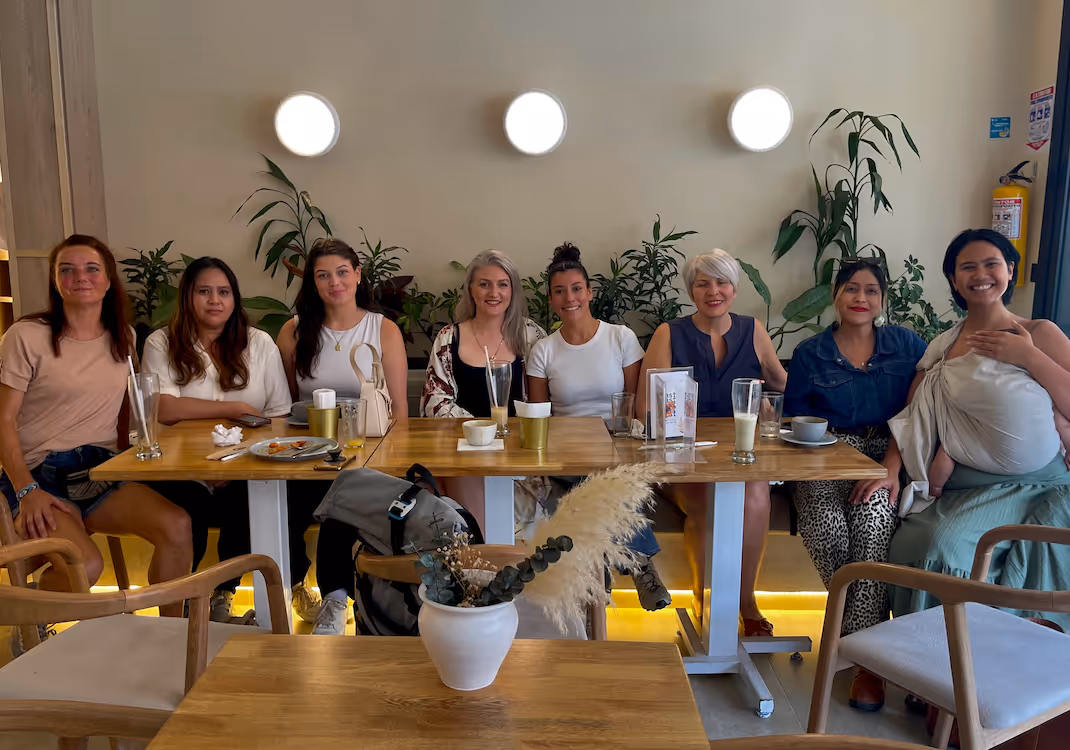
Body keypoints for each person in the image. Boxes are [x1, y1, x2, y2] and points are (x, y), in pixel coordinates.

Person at [0, 235, 192, 650]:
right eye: (67, 269)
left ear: (108, 281)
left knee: (177, 524)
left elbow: (128, 410)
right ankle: (31, 620)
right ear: (55, 282)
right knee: (84, 564)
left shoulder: (122, 336)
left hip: (99, 469)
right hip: (39, 474)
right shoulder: (26, 335)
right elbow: (3, 419)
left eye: (91, 268)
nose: (79, 277)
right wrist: (24, 489)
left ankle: (173, 640)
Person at [885, 228, 1070, 633]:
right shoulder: (944, 345)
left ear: (1010, 272)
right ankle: (929, 661)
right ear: (954, 280)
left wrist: (1028, 357)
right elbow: (915, 413)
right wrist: (890, 467)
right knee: (925, 545)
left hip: (1039, 487)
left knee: (953, 548)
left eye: (991, 264)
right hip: (965, 488)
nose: (980, 274)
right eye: (967, 267)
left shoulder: (1039, 332)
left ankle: (988, 662)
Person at [784, 258, 927, 712]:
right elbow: (793, 421)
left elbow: (918, 413)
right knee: (827, 525)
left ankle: (863, 659)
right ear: (835, 295)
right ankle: (871, 652)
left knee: (873, 519)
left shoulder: (907, 346)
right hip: (824, 455)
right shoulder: (810, 353)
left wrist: (889, 466)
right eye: (850, 289)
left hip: (887, 453)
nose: (860, 298)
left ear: (882, 299)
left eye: (870, 290)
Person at [638, 248, 786, 637]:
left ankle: (745, 600)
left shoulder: (753, 330)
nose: (713, 291)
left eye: (721, 282)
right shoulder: (670, 333)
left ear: (734, 289)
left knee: (756, 495)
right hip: (682, 461)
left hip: (742, 459)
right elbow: (643, 408)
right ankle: (704, 602)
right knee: (707, 498)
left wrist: (772, 407)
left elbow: (783, 386)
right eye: (703, 283)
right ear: (692, 291)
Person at [142, 257, 294, 623]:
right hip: (179, 469)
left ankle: (222, 598)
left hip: (247, 464)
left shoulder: (258, 343)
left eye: (223, 292)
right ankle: (180, 614)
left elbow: (279, 415)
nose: (215, 300)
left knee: (252, 497)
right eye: (204, 291)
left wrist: (241, 461)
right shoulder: (161, 342)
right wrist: (233, 408)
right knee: (187, 508)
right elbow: (161, 407)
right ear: (187, 297)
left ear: (234, 298)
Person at [527, 243, 669, 611]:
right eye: (559, 291)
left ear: (589, 293)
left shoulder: (620, 338)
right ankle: (640, 565)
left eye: (576, 289)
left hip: (616, 448)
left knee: (603, 484)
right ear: (551, 299)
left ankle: (599, 586)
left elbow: (636, 404)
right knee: (595, 486)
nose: (569, 298)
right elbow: (539, 416)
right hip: (566, 451)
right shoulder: (543, 350)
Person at [277, 238, 409, 635]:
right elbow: (284, 409)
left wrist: (392, 464)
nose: (334, 282)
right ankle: (294, 584)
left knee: (345, 500)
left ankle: (336, 599)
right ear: (313, 284)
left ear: (357, 274)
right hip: (306, 455)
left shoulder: (381, 329)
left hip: (366, 456)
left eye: (341, 272)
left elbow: (399, 411)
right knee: (271, 495)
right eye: (323, 275)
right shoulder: (295, 331)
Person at [420, 249, 547, 536]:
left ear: (513, 290)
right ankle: (479, 571)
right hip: (462, 456)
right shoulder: (448, 338)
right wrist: (482, 434)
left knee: (525, 531)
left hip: (519, 457)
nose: (494, 292)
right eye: (484, 283)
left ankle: (509, 573)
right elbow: (434, 404)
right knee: (471, 528)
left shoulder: (532, 336)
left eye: (503, 284)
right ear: (470, 290)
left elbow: (545, 401)